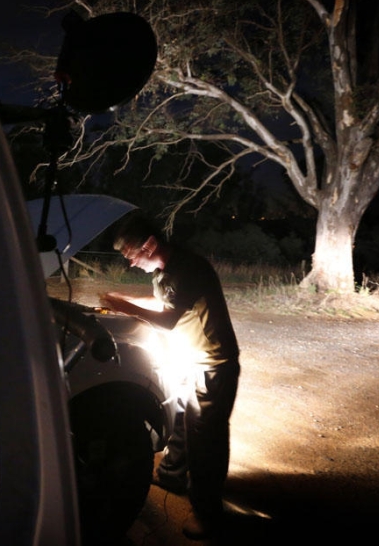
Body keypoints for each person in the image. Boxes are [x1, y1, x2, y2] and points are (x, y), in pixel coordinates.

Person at [99, 211, 240, 540]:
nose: (132, 264)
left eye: (132, 256)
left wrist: (126, 309)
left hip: (213, 365)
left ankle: (209, 516)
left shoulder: (189, 268)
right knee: (183, 419)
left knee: (207, 441)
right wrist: (125, 299)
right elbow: (162, 301)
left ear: (149, 245)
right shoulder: (165, 272)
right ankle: (172, 473)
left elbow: (169, 318)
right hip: (193, 360)